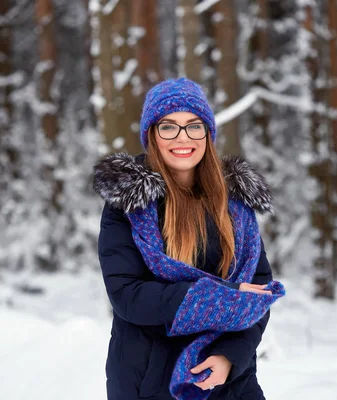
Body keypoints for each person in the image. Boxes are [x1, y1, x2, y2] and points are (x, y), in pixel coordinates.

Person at [93, 78, 285, 400]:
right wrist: (225, 296)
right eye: (169, 127)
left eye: (193, 126)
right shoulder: (128, 204)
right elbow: (128, 296)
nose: (183, 138)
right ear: (152, 134)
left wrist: (229, 357)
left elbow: (257, 294)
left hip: (229, 382)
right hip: (151, 379)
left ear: (208, 134)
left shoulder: (234, 204)